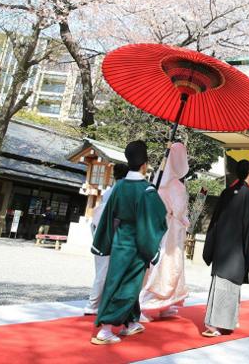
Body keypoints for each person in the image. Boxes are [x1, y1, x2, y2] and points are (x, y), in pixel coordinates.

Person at [90, 141, 168, 345]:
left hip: (119, 240)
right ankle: (106, 328)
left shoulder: (120, 186)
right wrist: (152, 249)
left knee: (117, 280)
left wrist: (103, 243)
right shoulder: (146, 190)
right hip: (137, 243)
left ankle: (131, 322)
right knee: (129, 286)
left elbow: (108, 215)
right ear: (145, 164)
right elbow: (157, 218)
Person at [201, 159, 249, 338]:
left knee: (220, 284)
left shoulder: (225, 193)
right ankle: (216, 323)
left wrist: (211, 248)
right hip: (237, 251)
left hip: (222, 249)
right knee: (230, 285)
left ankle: (221, 321)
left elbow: (213, 222)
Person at [139, 143, 190, 321]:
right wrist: (184, 219)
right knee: (166, 267)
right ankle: (145, 305)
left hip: (161, 229)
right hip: (171, 232)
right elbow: (179, 210)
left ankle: (163, 303)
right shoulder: (176, 185)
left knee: (161, 266)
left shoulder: (159, 181)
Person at [84, 162, 129, 316]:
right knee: (104, 272)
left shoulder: (109, 191)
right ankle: (93, 304)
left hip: (100, 230)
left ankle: (98, 302)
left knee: (101, 270)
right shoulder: (120, 190)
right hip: (109, 234)